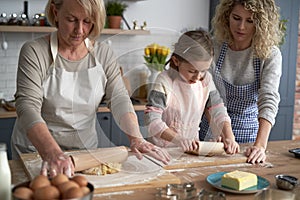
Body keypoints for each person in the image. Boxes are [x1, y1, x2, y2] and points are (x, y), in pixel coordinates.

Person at [11, 0, 170, 178]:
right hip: (38, 152)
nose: (80, 30)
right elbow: (27, 106)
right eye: (71, 19)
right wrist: (53, 153)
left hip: (84, 153)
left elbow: (119, 99)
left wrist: (136, 137)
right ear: (56, 13)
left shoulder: (103, 54)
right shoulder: (35, 51)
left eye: (87, 21)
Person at [199, 0, 283, 164]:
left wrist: (260, 146)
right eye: (236, 18)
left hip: (249, 137)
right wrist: (220, 132)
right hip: (212, 131)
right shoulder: (213, 48)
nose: (241, 27)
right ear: (226, 16)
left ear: (260, 24)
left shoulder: (269, 54)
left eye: (250, 21)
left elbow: (269, 98)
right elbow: (208, 96)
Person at [144, 30, 239, 154]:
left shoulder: (206, 80)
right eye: (192, 71)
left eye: (204, 70)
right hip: (161, 152)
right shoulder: (164, 81)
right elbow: (152, 120)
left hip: (191, 152)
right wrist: (179, 139)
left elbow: (218, 110)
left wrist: (229, 136)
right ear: (176, 61)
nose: (198, 77)